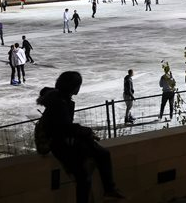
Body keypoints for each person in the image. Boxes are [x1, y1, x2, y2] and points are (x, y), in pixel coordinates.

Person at [36, 71, 124, 202]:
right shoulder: (59, 103)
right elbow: (65, 127)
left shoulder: (60, 98)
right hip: (60, 144)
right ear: (73, 87)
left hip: (65, 140)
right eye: (78, 85)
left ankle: (109, 189)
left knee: (101, 155)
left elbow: (65, 126)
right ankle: (109, 189)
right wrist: (86, 131)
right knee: (83, 178)